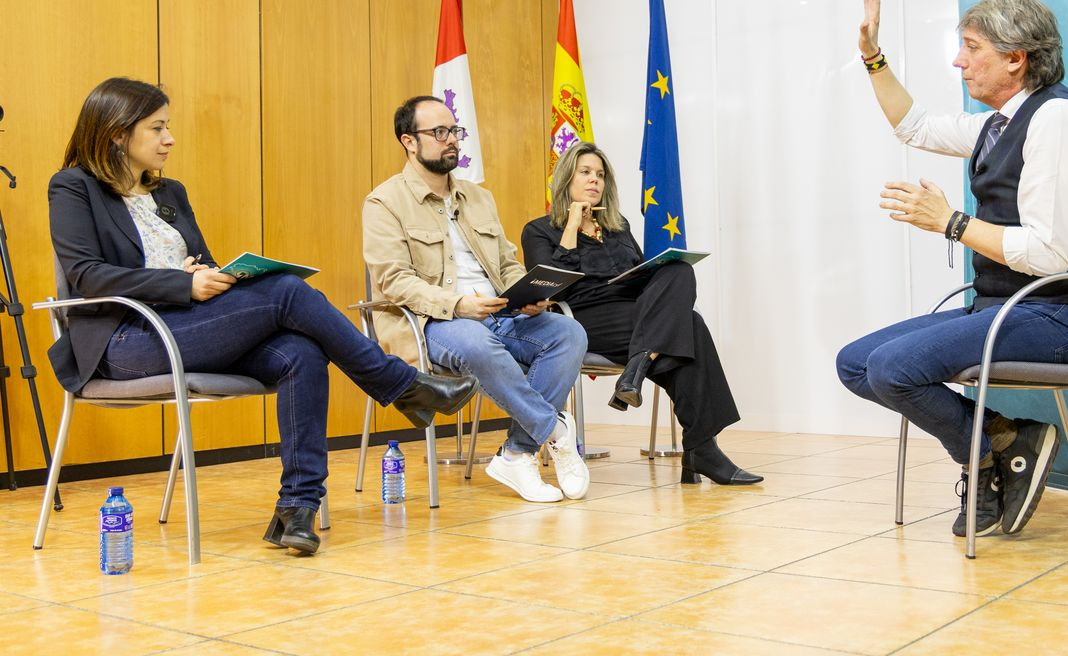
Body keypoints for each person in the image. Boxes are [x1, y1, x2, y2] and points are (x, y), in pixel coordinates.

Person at [48, 77, 478, 556]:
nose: (169, 139)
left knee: (301, 351)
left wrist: (206, 274)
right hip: (126, 341)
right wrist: (179, 282)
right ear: (116, 133)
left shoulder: (171, 192)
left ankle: (297, 510)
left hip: (189, 328)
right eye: (157, 128)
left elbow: (201, 262)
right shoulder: (74, 187)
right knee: (287, 293)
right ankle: (401, 385)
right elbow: (87, 275)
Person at [836, 0, 1068, 537]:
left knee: (894, 369)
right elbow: (912, 125)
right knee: (855, 363)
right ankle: (1006, 442)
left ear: (1016, 59)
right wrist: (872, 54)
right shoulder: (1002, 123)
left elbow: (1047, 253)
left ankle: (989, 455)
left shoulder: (1057, 121)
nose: (958, 60)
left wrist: (952, 223)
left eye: (972, 48)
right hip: (1008, 307)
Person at [362, 96, 590, 504]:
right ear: (408, 142)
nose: (451, 140)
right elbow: (394, 282)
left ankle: (518, 453)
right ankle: (554, 429)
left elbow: (506, 263)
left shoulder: (478, 197)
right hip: (433, 324)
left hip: (501, 314)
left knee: (568, 333)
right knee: (478, 342)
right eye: (438, 133)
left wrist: (529, 293)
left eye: (454, 131)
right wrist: (457, 304)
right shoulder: (384, 203)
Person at [522, 142, 762, 486]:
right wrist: (572, 227)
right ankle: (700, 449)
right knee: (689, 329)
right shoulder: (540, 229)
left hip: (638, 312)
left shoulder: (618, 226)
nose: (595, 181)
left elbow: (640, 274)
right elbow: (550, 289)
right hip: (584, 317)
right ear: (565, 179)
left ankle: (638, 367)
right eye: (586, 172)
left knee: (679, 271)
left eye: (601, 175)